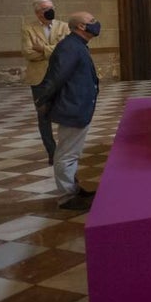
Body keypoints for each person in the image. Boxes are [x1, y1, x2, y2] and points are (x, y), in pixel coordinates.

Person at [35, 11, 101, 211]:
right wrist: (42, 99)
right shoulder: (70, 47)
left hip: (77, 105)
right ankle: (66, 197)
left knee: (72, 152)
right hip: (72, 107)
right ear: (81, 27)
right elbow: (56, 77)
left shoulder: (76, 45)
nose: (95, 24)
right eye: (92, 21)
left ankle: (73, 188)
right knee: (67, 154)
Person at [21, 0, 71, 165]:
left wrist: (42, 49)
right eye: (45, 8)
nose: (50, 10)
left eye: (51, 7)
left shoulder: (64, 26)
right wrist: (53, 49)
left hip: (61, 75)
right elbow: (28, 52)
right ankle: (52, 152)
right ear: (37, 12)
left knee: (66, 112)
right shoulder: (28, 28)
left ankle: (66, 151)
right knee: (43, 115)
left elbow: (66, 49)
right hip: (39, 79)